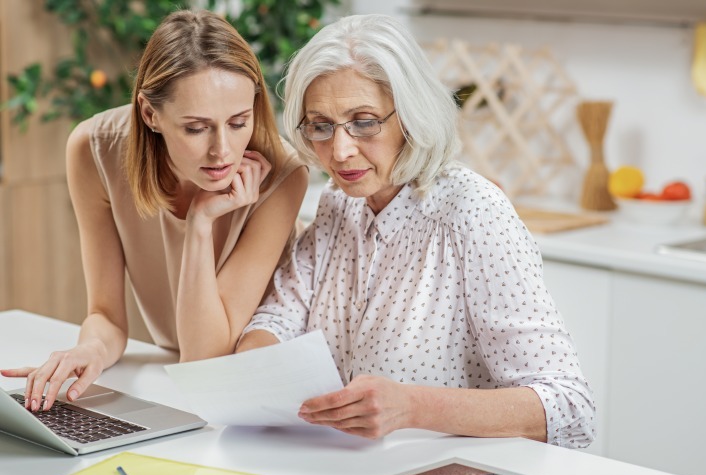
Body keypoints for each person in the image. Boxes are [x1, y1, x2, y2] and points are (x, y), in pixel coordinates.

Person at [236, 13, 595, 448]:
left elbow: (569, 406)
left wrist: (411, 407)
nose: (340, 150)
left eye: (364, 121)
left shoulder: (473, 213)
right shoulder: (338, 201)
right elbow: (280, 316)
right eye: (321, 126)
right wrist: (252, 369)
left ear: (410, 115)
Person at [1, 10, 308, 412]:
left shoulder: (282, 176)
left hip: (255, 394)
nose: (223, 150)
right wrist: (90, 349)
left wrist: (200, 223)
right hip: (178, 382)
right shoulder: (95, 152)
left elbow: (206, 362)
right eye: (196, 128)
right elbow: (106, 315)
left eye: (238, 122)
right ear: (150, 114)